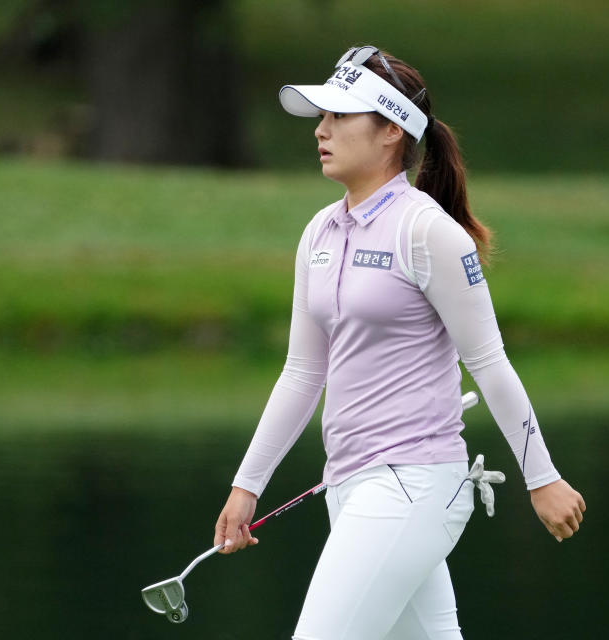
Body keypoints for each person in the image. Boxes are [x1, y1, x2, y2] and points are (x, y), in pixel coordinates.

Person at [212, 45, 587, 640]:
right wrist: (246, 485)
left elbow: (488, 364)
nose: (321, 129)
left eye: (340, 116)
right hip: (349, 486)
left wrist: (541, 476)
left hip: (414, 486)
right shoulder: (320, 231)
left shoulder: (428, 232)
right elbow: (303, 374)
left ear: (391, 130)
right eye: (322, 116)